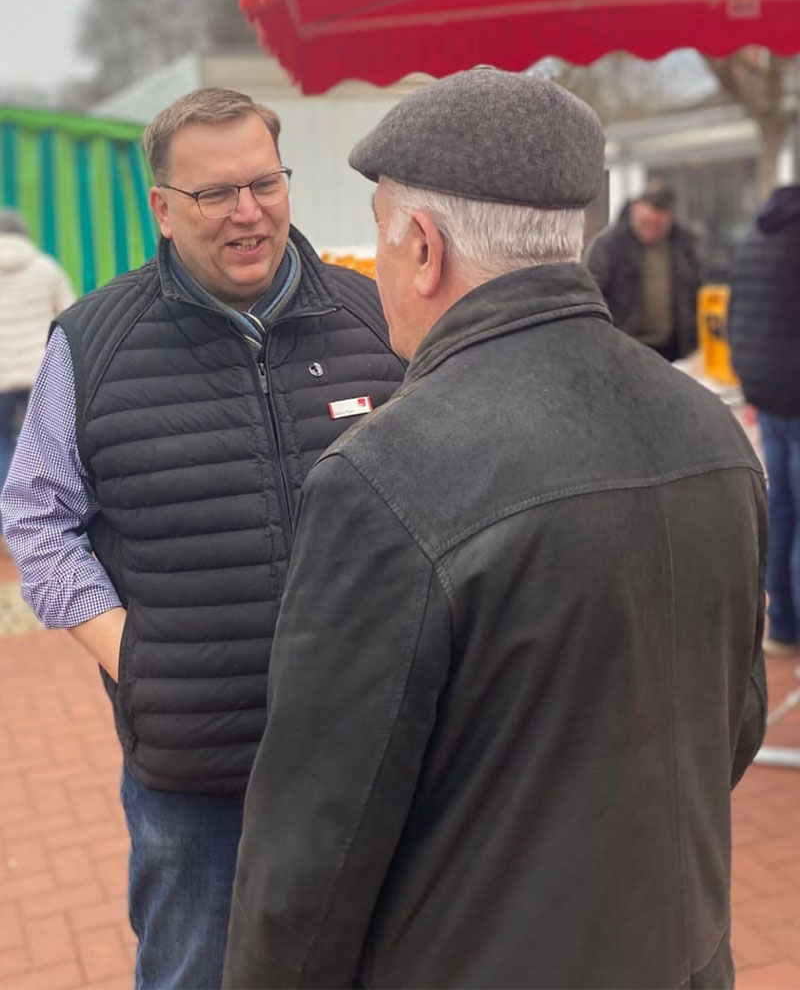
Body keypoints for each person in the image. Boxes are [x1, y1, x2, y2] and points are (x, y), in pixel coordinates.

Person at [223, 68, 766, 990]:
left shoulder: (382, 477)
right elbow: (734, 721)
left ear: (424, 248)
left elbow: (314, 850)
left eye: (385, 246)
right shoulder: (710, 427)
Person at [0, 88, 405, 990]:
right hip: (197, 765)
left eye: (264, 182)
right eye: (215, 194)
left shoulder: (375, 317)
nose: (248, 212)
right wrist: (129, 653)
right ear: (162, 208)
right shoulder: (94, 341)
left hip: (374, 743)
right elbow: (35, 514)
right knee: (195, 971)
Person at [728, 182, 800, 661]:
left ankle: (782, 627)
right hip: (794, 388)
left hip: (766, 387)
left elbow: (736, 312)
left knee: (781, 511)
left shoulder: (759, 232)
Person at [0, 209, 74, 512]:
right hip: (40, 374)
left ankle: (9, 518)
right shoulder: (47, 268)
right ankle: (49, 511)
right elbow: (70, 316)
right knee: (45, 445)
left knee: (2, 443)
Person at [585, 182, 701, 360]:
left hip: (676, 350)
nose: (653, 228)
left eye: (659, 224)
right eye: (646, 222)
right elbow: (591, 297)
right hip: (625, 350)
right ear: (634, 209)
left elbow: (697, 291)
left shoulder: (685, 244)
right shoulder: (608, 245)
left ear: (670, 217)